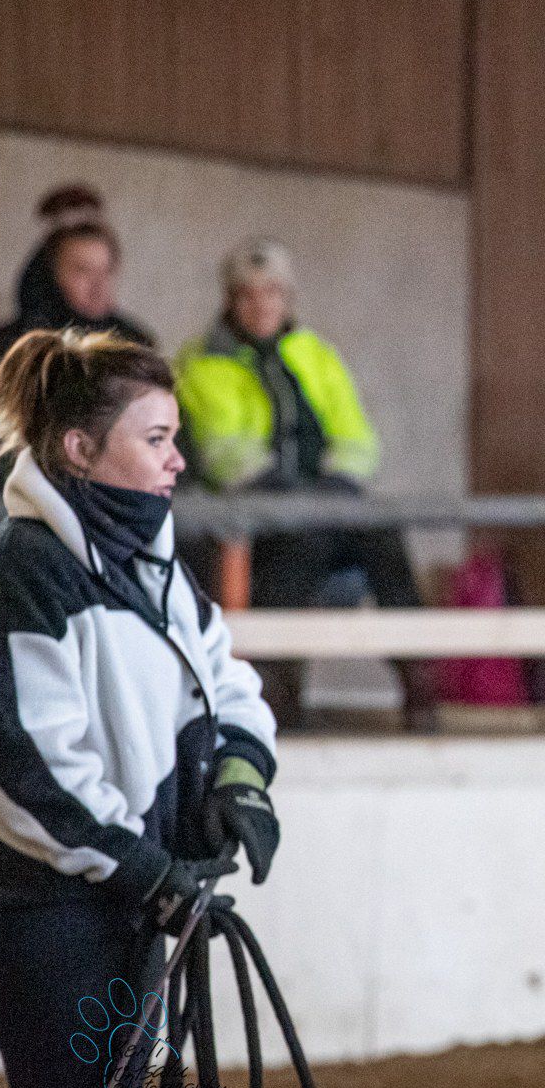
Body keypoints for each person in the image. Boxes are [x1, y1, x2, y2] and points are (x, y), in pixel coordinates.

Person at [0, 328, 279, 1088]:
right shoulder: (22, 572)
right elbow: (27, 771)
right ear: (80, 449)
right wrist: (149, 870)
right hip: (47, 909)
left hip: (127, 900)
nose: (178, 459)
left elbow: (225, 681)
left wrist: (240, 775)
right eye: (156, 438)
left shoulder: (154, 566)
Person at [173, 238, 435, 730]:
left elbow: (357, 437)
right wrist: (300, 504)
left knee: (383, 534)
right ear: (230, 300)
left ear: (288, 298)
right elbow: (225, 455)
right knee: (299, 543)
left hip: (329, 503)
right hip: (254, 514)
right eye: (248, 294)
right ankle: (278, 687)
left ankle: (419, 678)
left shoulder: (316, 353)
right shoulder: (201, 363)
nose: (261, 305)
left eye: (272, 292)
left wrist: (334, 491)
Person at [0, 208, 155, 378]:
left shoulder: (135, 344)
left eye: (107, 270)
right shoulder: (14, 346)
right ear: (52, 276)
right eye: (83, 271)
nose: (98, 285)